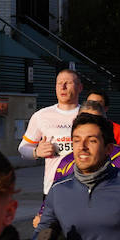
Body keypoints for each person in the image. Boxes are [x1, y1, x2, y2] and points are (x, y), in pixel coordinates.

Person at [20, 68, 83, 197]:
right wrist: (36, 152)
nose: (63, 87)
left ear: (79, 87)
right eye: (59, 83)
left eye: (68, 83)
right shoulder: (42, 115)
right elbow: (23, 149)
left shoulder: (89, 114)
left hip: (85, 186)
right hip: (53, 188)